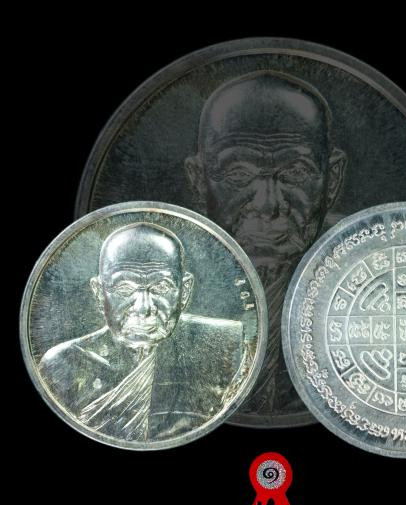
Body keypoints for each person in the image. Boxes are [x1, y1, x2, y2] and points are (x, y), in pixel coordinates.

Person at [185, 71, 346, 418]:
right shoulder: (161, 278)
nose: (268, 205)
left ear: (332, 180)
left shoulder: (372, 268)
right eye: (239, 175)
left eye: (296, 173)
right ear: (199, 181)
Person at [39, 223, 244, 441]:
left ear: (184, 293)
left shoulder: (223, 346)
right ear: (99, 294)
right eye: (124, 289)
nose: (144, 308)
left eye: (161, 287)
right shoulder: (63, 364)